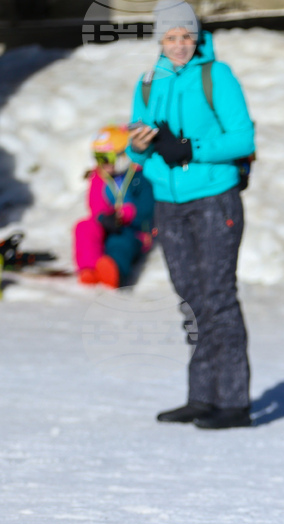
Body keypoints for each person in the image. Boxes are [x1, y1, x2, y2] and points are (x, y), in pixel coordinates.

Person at [126, 0, 255, 429]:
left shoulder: (217, 75)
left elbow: (242, 138)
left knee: (218, 296)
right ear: (158, 40)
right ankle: (202, 395)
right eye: (170, 37)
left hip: (214, 197)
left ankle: (234, 402)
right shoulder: (147, 83)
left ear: (196, 36)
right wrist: (141, 146)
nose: (179, 45)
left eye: (186, 36)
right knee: (191, 301)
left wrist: (192, 149)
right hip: (169, 202)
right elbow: (133, 147)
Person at [74, 124, 153, 288]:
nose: (101, 164)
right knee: (84, 227)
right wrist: (103, 217)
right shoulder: (100, 177)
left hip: (132, 229)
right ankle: (89, 269)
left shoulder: (137, 177)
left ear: (123, 156)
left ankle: (114, 270)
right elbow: (95, 203)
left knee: (120, 242)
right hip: (108, 223)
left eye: (106, 158)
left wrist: (125, 215)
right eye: (97, 158)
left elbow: (145, 208)